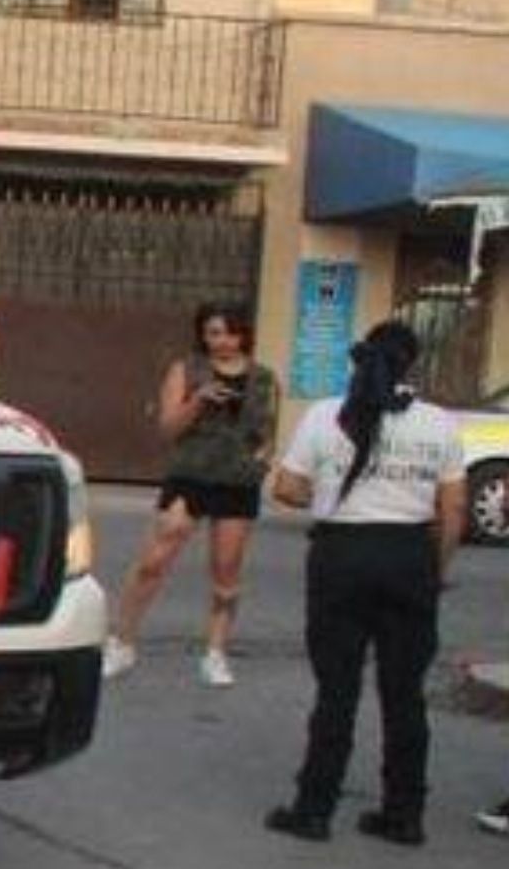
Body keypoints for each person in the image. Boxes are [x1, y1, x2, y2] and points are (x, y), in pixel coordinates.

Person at [263, 321, 466, 847]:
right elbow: (454, 508)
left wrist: (328, 497)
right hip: (409, 557)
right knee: (405, 695)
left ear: (361, 359)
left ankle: (313, 809)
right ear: (412, 364)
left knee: (336, 691)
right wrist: (436, 570)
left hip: (342, 556)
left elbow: (287, 488)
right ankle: (404, 814)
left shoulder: (325, 415)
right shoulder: (439, 424)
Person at [102, 301, 278, 687]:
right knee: (155, 558)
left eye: (231, 333)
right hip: (190, 475)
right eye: (214, 333)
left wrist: (260, 463)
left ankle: (215, 652)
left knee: (226, 569)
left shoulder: (264, 378)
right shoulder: (186, 370)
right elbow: (168, 429)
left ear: (244, 334)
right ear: (202, 334)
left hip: (237, 481)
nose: (224, 342)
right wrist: (198, 399)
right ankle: (122, 641)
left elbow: (267, 433)